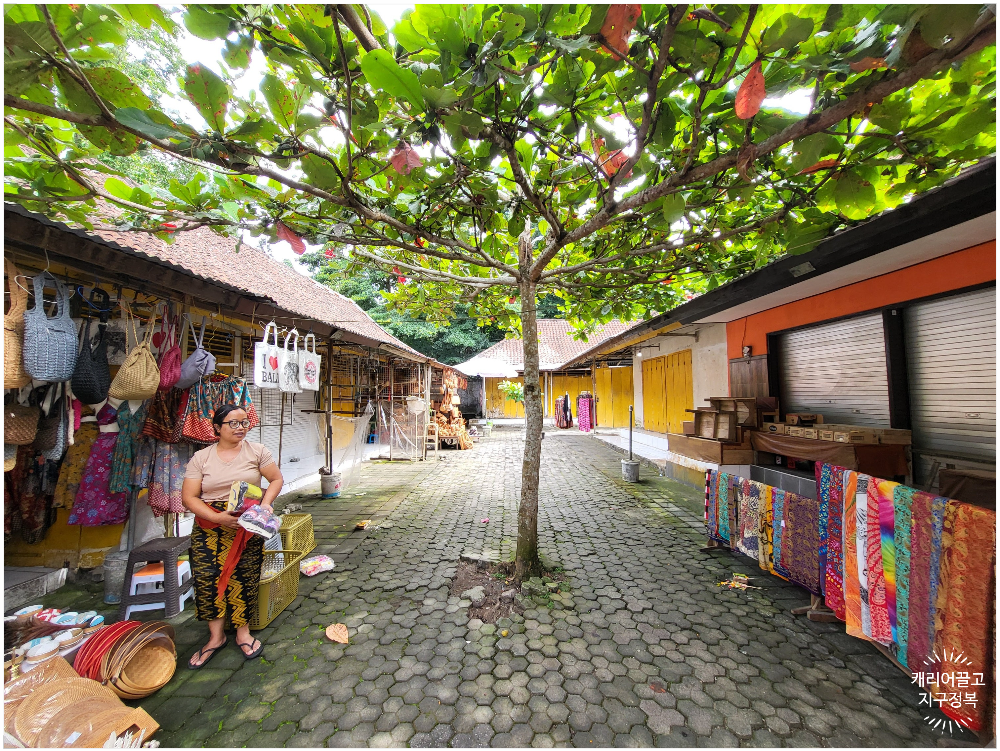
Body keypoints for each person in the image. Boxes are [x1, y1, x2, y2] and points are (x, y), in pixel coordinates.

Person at [182, 404, 283, 668]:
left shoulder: (257, 451)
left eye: (244, 422)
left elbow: (275, 480)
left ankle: (243, 633)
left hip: (246, 523)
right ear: (217, 428)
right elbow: (189, 497)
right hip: (209, 525)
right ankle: (215, 637)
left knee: (245, 575)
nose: (240, 428)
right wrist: (217, 517)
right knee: (207, 578)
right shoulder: (201, 458)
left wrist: (266, 504)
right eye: (233, 423)